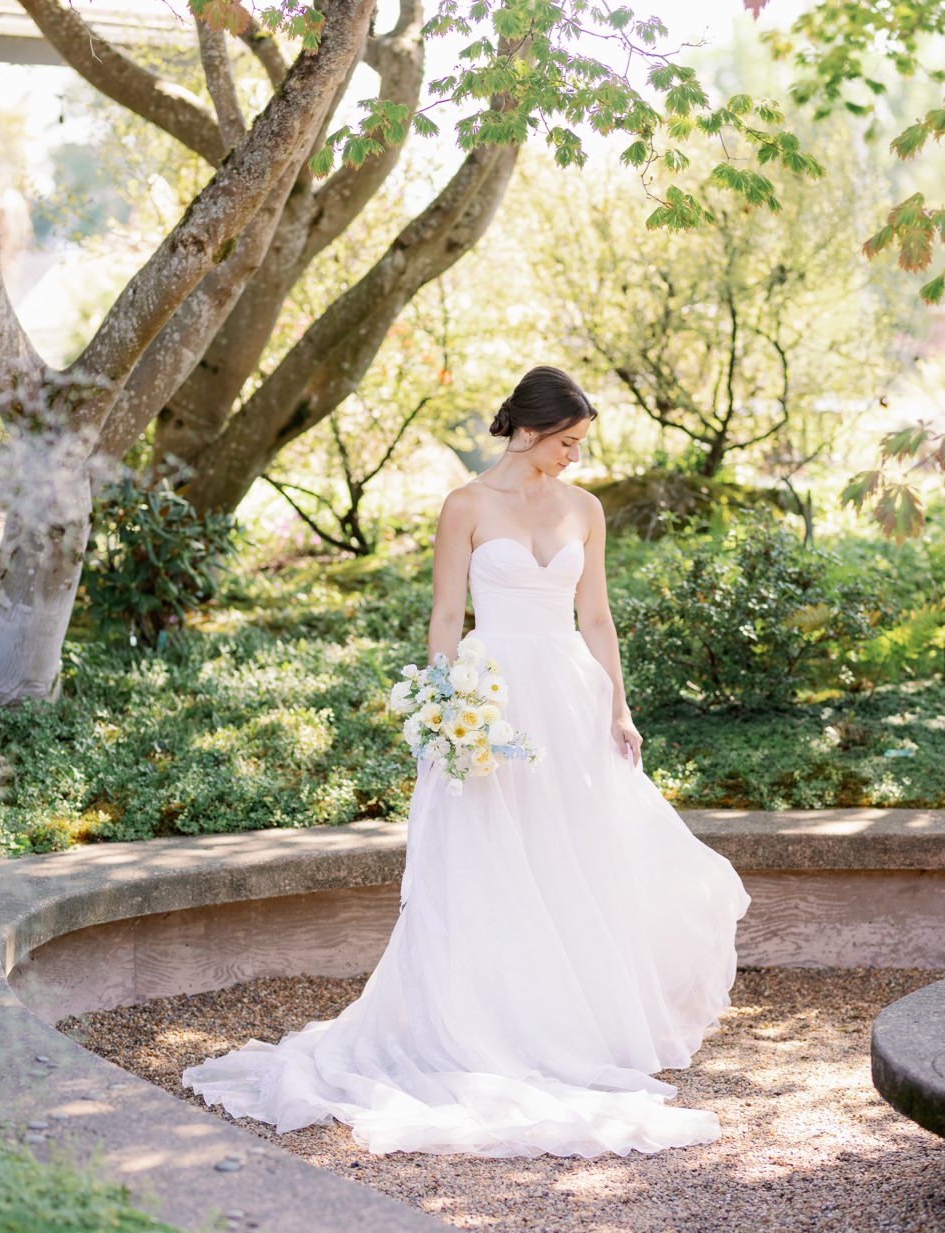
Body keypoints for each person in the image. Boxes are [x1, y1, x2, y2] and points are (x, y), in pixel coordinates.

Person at [185, 365, 750, 1157]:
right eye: (567, 442)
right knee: (491, 859)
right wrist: (448, 711)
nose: (573, 459)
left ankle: (573, 1020)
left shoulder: (585, 510)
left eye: (580, 446)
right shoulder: (466, 506)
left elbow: (598, 618)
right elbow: (446, 615)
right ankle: (489, 1020)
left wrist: (619, 706)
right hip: (493, 698)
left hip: (568, 698)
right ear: (530, 429)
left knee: (573, 856)